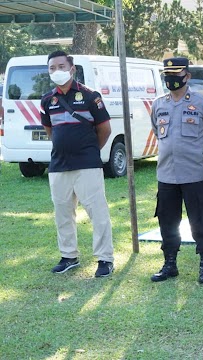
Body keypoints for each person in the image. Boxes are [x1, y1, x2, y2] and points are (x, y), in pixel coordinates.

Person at [40, 50, 114, 277]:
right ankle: (69, 256)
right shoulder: (47, 100)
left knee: (97, 212)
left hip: (87, 165)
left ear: (72, 69)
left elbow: (105, 129)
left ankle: (105, 259)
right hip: (59, 166)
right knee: (62, 212)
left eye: (61, 66)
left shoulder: (91, 96)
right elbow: (50, 131)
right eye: (52, 68)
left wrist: (89, 150)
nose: (57, 71)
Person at [149, 57, 203, 284]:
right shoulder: (159, 104)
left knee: (199, 220)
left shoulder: (202, 103)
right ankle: (170, 263)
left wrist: (198, 154)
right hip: (167, 174)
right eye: (167, 76)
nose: (171, 80)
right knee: (167, 220)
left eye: (176, 76)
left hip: (195, 174)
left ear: (187, 76)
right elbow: (157, 131)